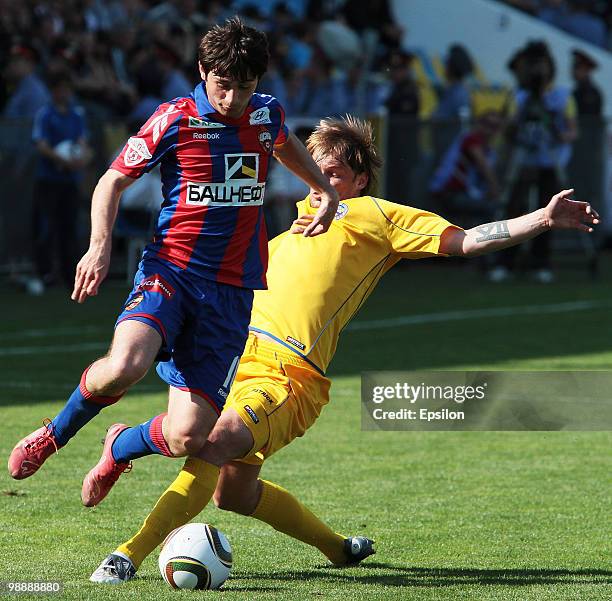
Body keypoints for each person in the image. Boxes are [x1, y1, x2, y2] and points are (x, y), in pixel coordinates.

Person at [87, 115, 598, 583]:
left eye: (330, 174)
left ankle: (127, 552)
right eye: (313, 171)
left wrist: (541, 220)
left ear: (357, 182)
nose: (318, 184)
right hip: (230, 362)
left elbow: (465, 240)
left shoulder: (374, 215)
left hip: (288, 375)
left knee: (215, 444)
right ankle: (337, 550)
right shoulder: (275, 241)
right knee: (233, 494)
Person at [8, 17, 339, 508]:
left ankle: (120, 445)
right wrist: (99, 246)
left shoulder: (265, 115)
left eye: (244, 88)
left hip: (231, 293)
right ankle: (54, 434)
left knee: (187, 438)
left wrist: (323, 187)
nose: (232, 99)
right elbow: (110, 181)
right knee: (125, 365)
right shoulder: (176, 118)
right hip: (171, 271)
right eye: (223, 86)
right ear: (203, 70)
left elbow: (283, 140)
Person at [492, 41, 577, 284]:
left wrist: (559, 132)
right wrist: (520, 113)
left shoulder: (561, 96)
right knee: (514, 209)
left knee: (548, 211)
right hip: (522, 162)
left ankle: (541, 262)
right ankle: (505, 261)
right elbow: (507, 129)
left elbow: (572, 131)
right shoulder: (518, 95)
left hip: (549, 162)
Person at [27, 68, 92, 296]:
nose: (63, 92)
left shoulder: (76, 115)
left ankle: (69, 274)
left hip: (69, 180)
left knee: (70, 227)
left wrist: (79, 159)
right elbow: (41, 144)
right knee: (46, 227)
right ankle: (45, 273)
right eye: (59, 88)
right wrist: (62, 159)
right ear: (53, 90)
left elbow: (83, 142)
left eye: (66, 88)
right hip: (49, 180)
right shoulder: (45, 114)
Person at [429, 110, 503, 226]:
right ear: (479, 124)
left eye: (494, 127)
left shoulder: (489, 150)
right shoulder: (471, 139)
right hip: (448, 193)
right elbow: (484, 167)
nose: (489, 130)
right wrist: (496, 189)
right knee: (491, 210)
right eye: (487, 124)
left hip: (461, 193)